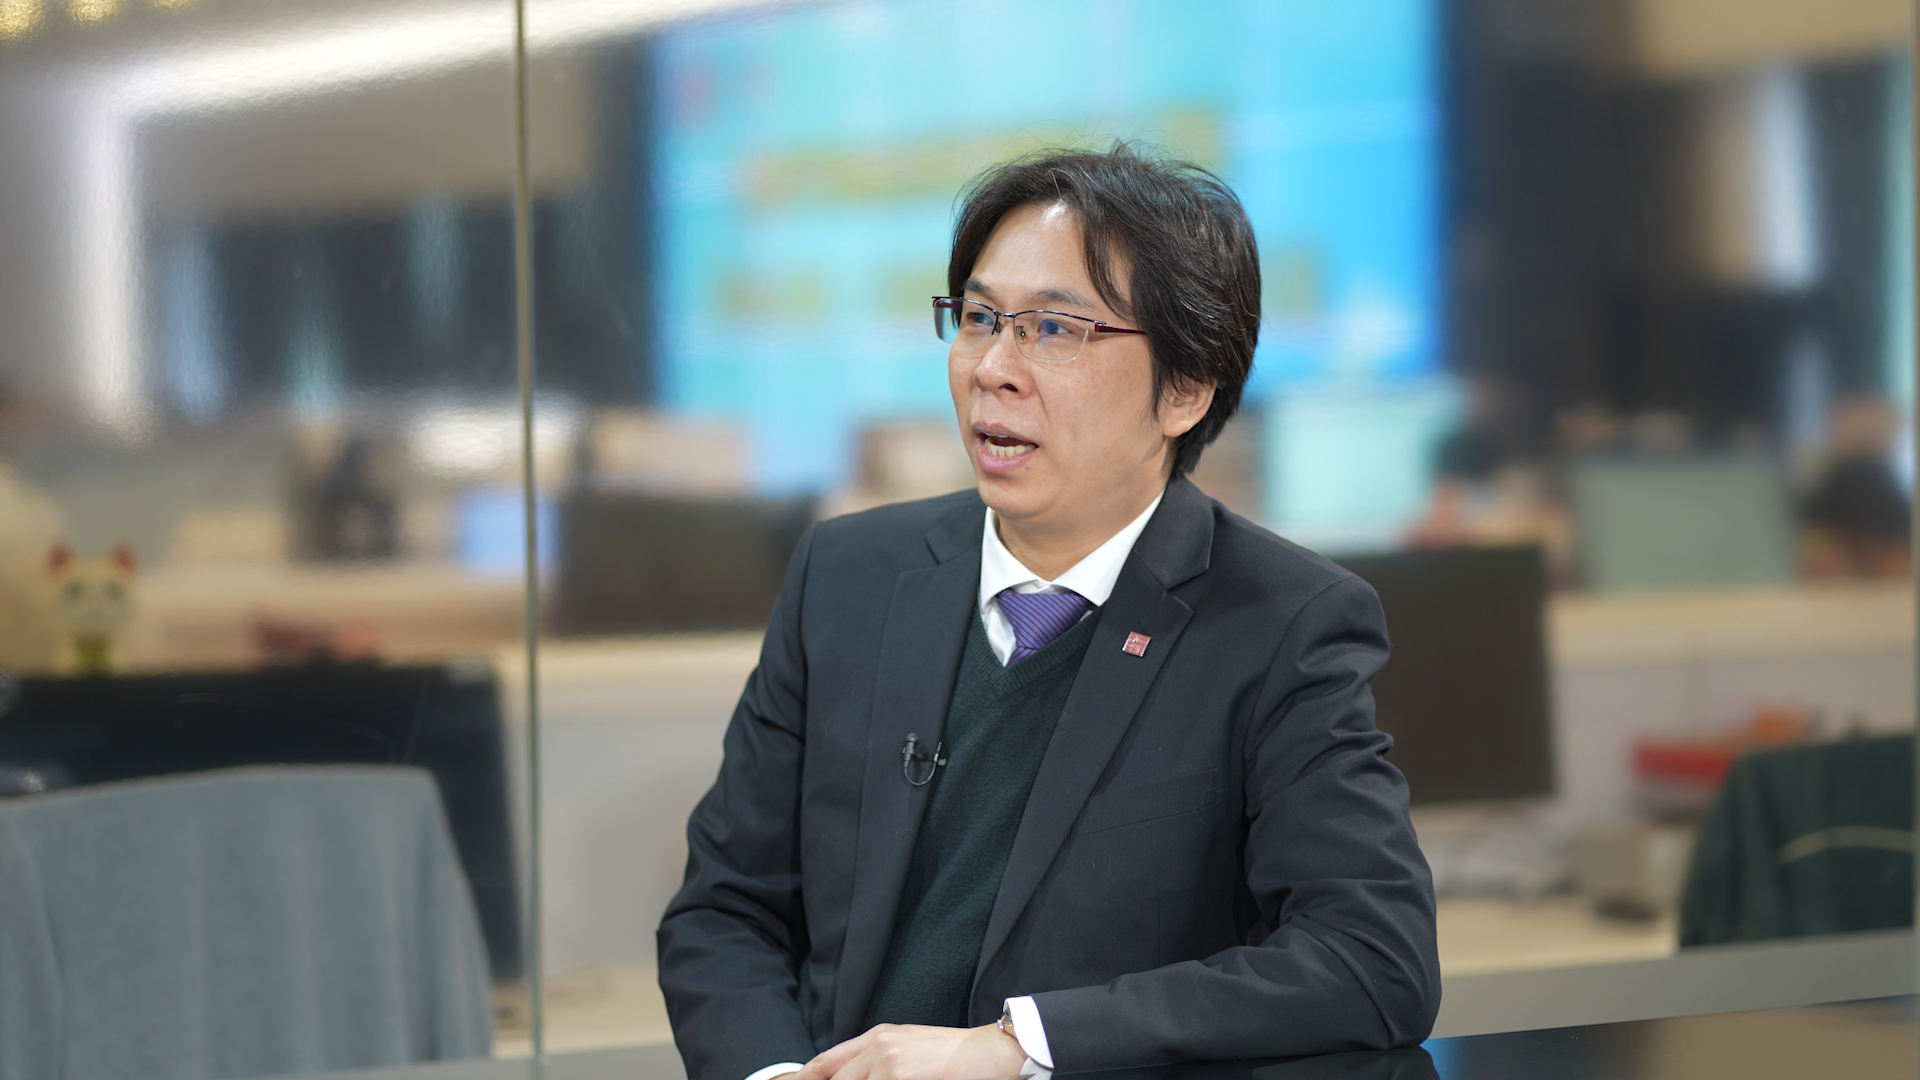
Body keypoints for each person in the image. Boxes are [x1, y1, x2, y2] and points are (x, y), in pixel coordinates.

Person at [658, 145, 1439, 1080]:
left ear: (1185, 389)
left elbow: (1371, 959)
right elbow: (726, 912)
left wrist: (1020, 1047)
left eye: (1056, 330)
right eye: (979, 318)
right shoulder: (848, 576)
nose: (994, 368)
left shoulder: (1282, 624)